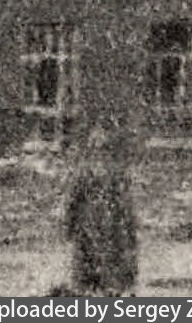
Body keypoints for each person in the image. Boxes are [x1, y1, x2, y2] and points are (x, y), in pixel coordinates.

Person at [64, 125, 137, 296]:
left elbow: (125, 204)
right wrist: (70, 224)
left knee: (110, 267)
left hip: (111, 227)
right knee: (87, 268)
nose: (100, 152)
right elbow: (73, 201)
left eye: (103, 148)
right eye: (96, 147)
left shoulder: (117, 173)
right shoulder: (83, 173)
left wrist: (129, 228)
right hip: (88, 226)